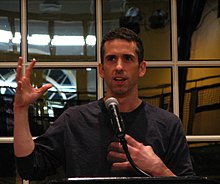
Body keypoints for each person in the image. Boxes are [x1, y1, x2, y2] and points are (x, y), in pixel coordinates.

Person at [14, 27, 194, 181]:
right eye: (111, 59)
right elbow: (30, 168)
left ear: (142, 68)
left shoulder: (168, 124)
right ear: (101, 69)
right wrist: (20, 110)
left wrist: (157, 168)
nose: (119, 67)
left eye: (128, 58)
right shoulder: (74, 120)